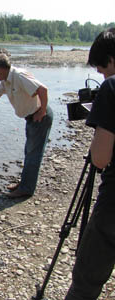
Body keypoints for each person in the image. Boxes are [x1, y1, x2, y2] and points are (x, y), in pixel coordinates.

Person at [65, 28, 115, 300]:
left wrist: (101, 121)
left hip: (113, 206)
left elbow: (99, 159)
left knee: (87, 279)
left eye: (100, 65)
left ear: (111, 58)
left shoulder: (112, 87)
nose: (99, 73)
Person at [0, 53, 53, 198]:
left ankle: (26, 189)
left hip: (40, 117)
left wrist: (42, 111)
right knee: (29, 152)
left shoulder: (20, 76)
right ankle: (24, 184)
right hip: (31, 118)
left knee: (33, 154)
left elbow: (43, 90)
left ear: (1, 68)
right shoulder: (6, 81)